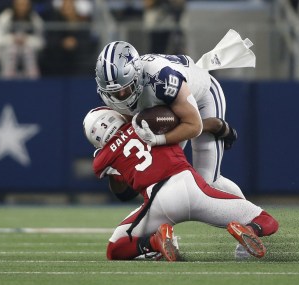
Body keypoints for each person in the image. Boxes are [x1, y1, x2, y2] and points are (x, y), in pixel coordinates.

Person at [83, 106, 279, 261]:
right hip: (192, 188)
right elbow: (191, 124)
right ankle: (250, 230)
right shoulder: (148, 120)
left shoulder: (102, 159)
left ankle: (154, 241)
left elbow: (121, 192)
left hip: (159, 202)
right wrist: (219, 127)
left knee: (115, 248)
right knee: (265, 219)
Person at [94, 40, 243, 199]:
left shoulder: (161, 78)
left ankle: (254, 218)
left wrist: (159, 140)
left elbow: (193, 125)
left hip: (201, 97)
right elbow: (137, 126)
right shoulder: (110, 96)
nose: (121, 96)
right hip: (163, 109)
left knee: (208, 182)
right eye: (115, 92)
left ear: (137, 75)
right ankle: (214, 126)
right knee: (163, 181)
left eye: (126, 88)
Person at [0, 0, 45, 79]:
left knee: (27, 51)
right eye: (19, 5)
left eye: (25, 5)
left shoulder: (35, 19)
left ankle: (33, 81)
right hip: (6, 52)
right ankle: (7, 80)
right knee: (12, 50)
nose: (22, 8)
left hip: (28, 51)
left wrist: (26, 40)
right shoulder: (5, 17)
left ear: (29, 6)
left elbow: (41, 42)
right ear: (14, 5)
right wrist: (12, 39)